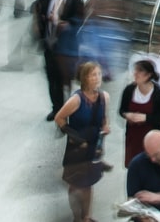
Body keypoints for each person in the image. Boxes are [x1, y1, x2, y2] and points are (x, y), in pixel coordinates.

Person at [55, 62, 110, 222]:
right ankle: (77, 218)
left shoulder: (104, 97)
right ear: (85, 78)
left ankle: (86, 216)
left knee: (89, 183)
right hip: (77, 149)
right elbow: (59, 118)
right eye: (93, 75)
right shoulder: (76, 100)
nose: (97, 78)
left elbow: (105, 119)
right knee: (76, 184)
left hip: (93, 148)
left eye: (99, 74)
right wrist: (75, 137)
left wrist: (106, 126)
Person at [34, 0, 86, 121]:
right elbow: (37, 9)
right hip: (49, 43)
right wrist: (42, 19)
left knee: (65, 79)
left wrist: (67, 24)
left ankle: (67, 108)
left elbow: (80, 20)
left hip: (66, 47)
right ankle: (56, 107)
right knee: (51, 77)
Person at [119, 60, 160, 168]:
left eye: (139, 71)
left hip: (152, 141)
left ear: (148, 75)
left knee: (150, 167)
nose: (135, 74)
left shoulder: (159, 95)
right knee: (134, 167)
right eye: (135, 70)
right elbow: (121, 110)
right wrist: (126, 115)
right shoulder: (129, 90)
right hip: (133, 138)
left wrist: (146, 118)